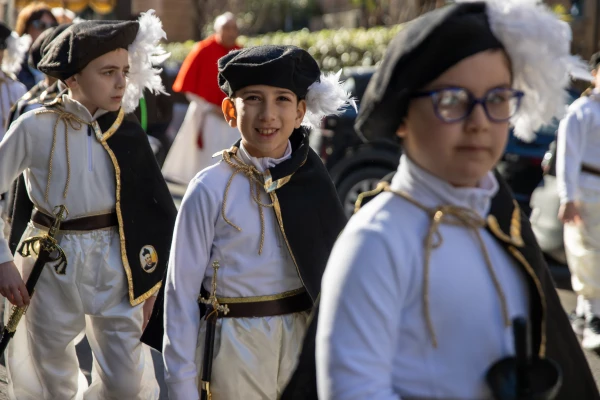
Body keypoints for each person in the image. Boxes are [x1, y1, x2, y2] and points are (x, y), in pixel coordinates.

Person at [314, 1, 599, 399]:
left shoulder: (499, 220)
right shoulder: (376, 241)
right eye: (452, 100)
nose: (480, 120)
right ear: (402, 118)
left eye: (498, 98)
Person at [142, 45, 350, 400]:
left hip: (302, 343)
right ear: (229, 109)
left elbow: (336, 276)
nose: (268, 114)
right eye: (252, 98)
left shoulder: (312, 180)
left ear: (301, 111)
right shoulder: (208, 189)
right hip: (232, 347)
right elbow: (180, 295)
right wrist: (180, 384)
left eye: (283, 99)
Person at [0, 11, 177, 399]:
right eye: (107, 71)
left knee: (125, 379)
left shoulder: (125, 130)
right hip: (47, 258)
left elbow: (154, 210)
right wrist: (2, 261)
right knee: (50, 374)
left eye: (124, 70)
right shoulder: (34, 126)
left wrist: (149, 284)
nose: (120, 82)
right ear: (73, 77)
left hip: (114, 261)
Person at [161, 11, 241, 184]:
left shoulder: (241, 53)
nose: (231, 32)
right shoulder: (203, 50)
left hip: (234, 118)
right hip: (207, 115)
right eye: (227, 28)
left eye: (234, 28)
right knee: (204, 164)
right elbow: (190, 89)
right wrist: (212, 108)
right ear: (217, 30)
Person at [557, 51, 600, 350]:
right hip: (586, 192)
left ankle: (585, 315)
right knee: (586, 255)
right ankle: (593, 318)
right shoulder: (582, 110)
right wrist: (567, 197)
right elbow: (567, 157)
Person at [15, 2, 58, 90]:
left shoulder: (60, 63)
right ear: (26, 28)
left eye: (53, 26)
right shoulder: (15, 66)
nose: (48, 30)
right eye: (40, 25)